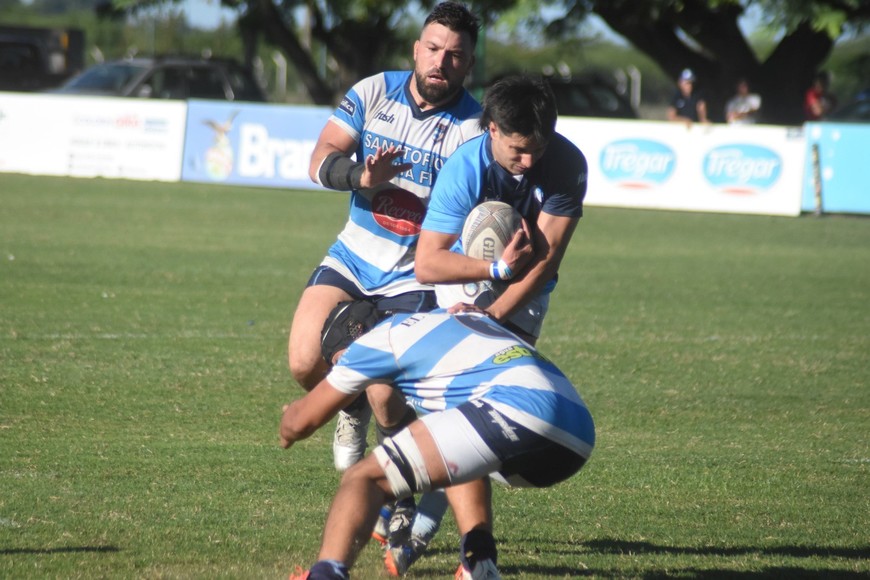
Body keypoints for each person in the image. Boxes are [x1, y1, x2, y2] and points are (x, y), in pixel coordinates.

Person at [385, 73, 587, 576]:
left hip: (526, 293)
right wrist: (489, 274)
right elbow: (429, 265)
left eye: (537, 148)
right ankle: (473, 553)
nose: (529, 161)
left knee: (489, 415)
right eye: (518, 150)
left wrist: (493, 316)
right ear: (492, 129)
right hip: (464, 277)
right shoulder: (466, 166)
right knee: (458, 409)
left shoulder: (565, 164)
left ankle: (430, 511)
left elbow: (546, 260)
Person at [287, 2, 483, 481]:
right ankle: (348, 404)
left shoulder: (474, 128)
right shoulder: (375, 91)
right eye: (433, 49)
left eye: (455, 55)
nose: (441, 61)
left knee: (387, 394)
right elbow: (318, 160)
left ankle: (395, 485)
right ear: (417, 49)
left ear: (468, 64)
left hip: (414, 274)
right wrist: (361, 175)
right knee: (303, 361)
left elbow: (474, 217)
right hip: (353, 256)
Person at [282, 301, 595, 580]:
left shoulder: (374, 343)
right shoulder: (446, 316)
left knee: (363, 478)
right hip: (577, 431)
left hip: (520, 409)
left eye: (337, 361)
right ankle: (479, 560)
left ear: (349, 343)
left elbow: (300, 422)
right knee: (454, 451)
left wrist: (287, 422)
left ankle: (326, 573)